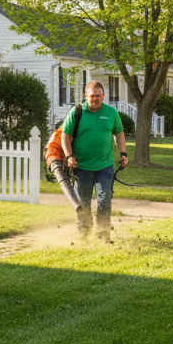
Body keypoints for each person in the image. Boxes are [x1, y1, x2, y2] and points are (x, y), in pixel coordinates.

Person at [61, 80, 126, 241]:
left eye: (98, 96)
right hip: (81, 167)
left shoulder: (111, 113)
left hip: (105, 166)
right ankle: (84, 232)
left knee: (104, 199)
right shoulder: (76, 112)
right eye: (92, 96)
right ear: (86, 95)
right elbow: (65, 137)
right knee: (83, 202)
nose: (95, 99)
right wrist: (69, 156)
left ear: (103, 96)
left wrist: (123, 153)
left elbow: (119, 134)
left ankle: (103, 234)